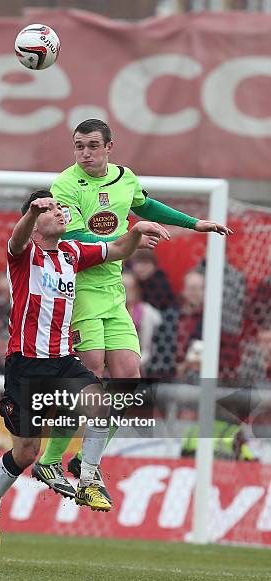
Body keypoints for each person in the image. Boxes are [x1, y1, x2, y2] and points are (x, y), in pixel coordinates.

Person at [32, 118, 233, 499]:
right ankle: (50, 458)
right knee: (88, 377)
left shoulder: (125, 178)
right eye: (79, 146)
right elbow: (74, 239)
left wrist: (194, 222)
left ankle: (86, 462)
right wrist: (128, 240)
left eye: (93, 145)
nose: (85, 153)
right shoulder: (65, 184)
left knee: (128, 378)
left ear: (110, 146)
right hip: (81, 289)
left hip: (113, 293)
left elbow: (144, 203)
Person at [0, 190, 160, 549]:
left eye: (61, 208)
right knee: (27, 453)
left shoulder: (72, 253)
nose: (60, 213)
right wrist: (32, 212)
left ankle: (89, 479)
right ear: (34, 224)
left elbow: (119, 249)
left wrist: (138, 231)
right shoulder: (24, 254)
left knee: (103, 403)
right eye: (53, 210)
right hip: (25, 366)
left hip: (62, 360)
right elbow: (15, 239)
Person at [122, 269, 162, 374]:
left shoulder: (146, 312)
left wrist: (132, 366)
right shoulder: (110, 312)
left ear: (136, 290)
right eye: (123, 287)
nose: (126, 291)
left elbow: (146, 349)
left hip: (138, 366)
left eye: (130, 288)